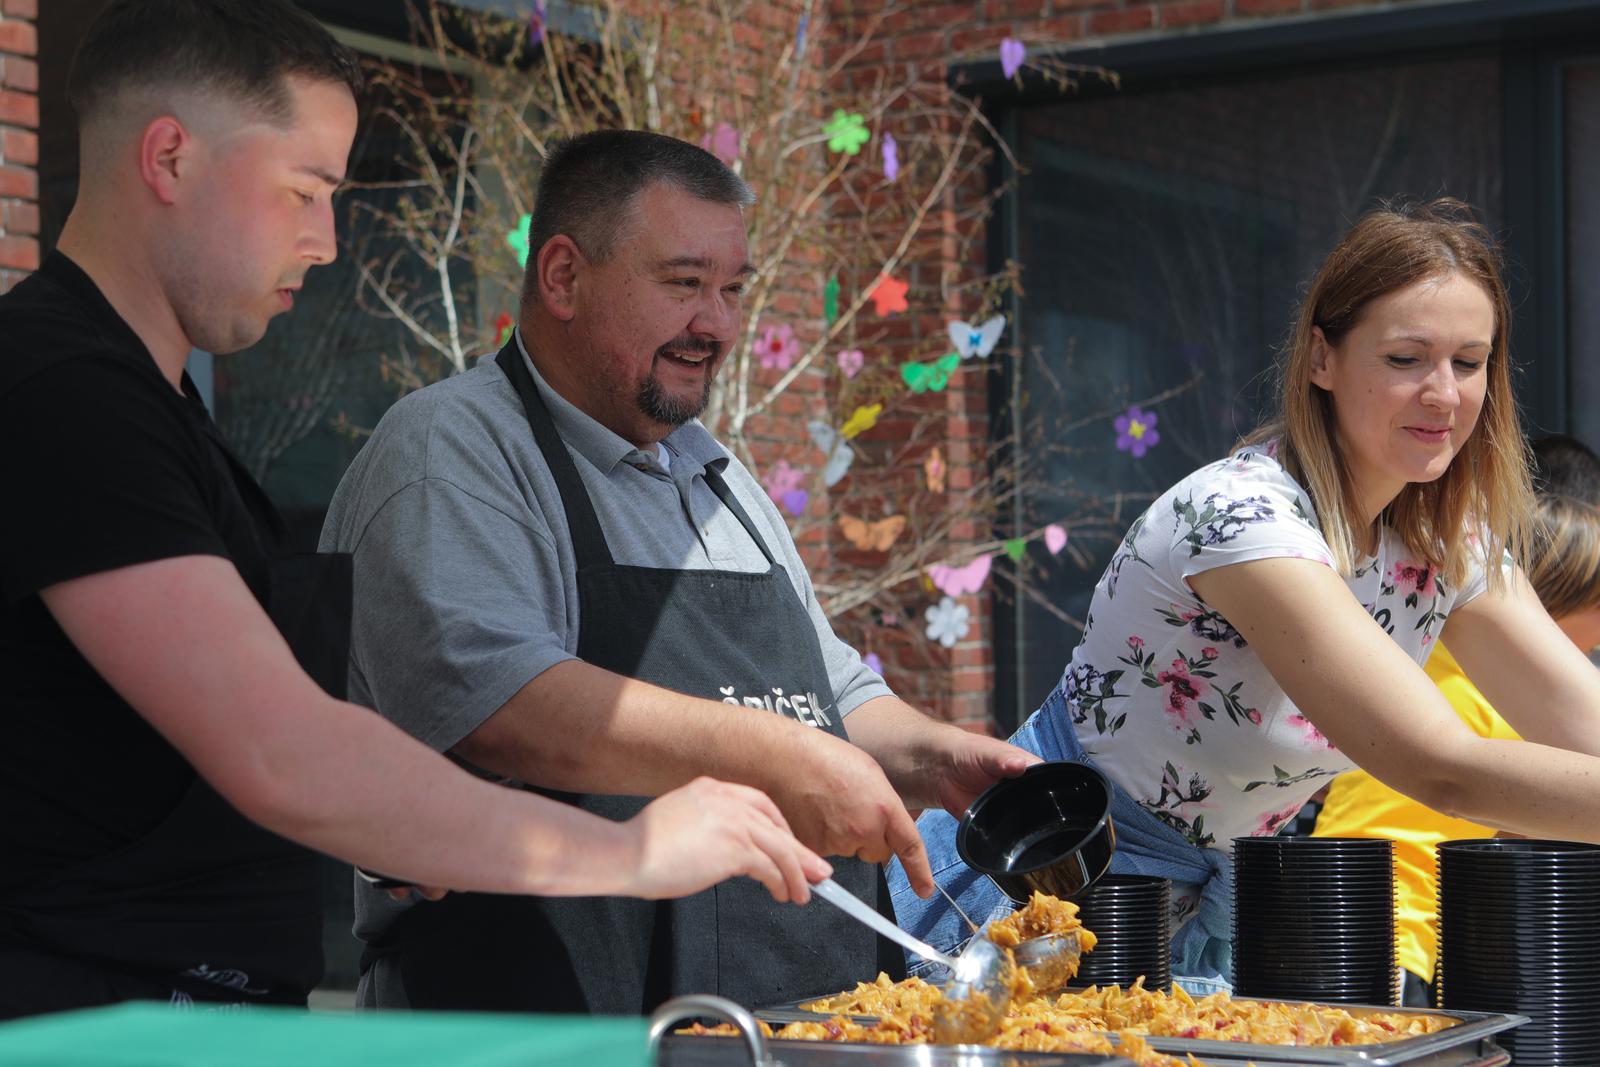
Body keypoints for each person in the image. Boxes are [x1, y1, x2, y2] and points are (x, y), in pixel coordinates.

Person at [0, 0, 828, 1021]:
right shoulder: (61, 390)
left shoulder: (154, 409)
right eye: (305, 190)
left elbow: (145, 763)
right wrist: (632, 849)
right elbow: (282, 750)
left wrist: (385, 828)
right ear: (170, 158)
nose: (327, 238)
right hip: (73, 1023)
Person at [320, 128, 1036, 1014]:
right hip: (556, 1027)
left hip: (801, 1019)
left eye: (733, 289)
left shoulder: (719, 477)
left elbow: (826, 691)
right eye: (684, 283)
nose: (718, 324)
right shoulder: (453, 449)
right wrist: (780, 758)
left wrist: (933, 758)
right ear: (562, 276)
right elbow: (497, 702)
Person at [890, 198, 1600, 995]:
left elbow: (1584, 721)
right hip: (1046, 883)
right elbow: (1443, 767)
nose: (1444, 392)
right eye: (1407, 358)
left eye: (1469, 362)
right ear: (1320, 358)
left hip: (1211, 910)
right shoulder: (1246, 518)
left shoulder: (1451, 535)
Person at [1312, 434, 1600, 1006]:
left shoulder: (1433, 659)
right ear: (1556, 604)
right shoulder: (1497, 699)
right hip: (1384, 930)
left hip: (1348, 910)